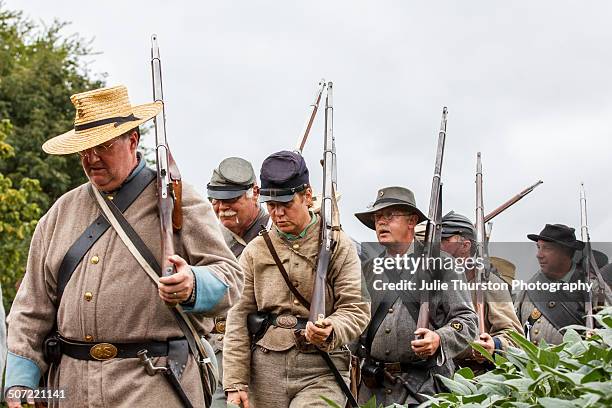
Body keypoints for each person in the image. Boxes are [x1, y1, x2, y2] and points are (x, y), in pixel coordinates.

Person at [5, 85, 243, 407]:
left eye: (102, 146)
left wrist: (193, 285)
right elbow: (32, 306)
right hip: (71, 387)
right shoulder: (61, 212)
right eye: (84, 150)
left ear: (133, 140)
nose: (91, 159)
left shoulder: (176, 200)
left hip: (154, 383)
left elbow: (231, 278)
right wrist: (20, 380)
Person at [223, 150, 370, 408]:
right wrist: (235, 383)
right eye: (272, 206)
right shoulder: (256, 251)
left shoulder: (338, 246)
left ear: (307, 196)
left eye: (286, 204)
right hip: (265, 369)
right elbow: (237, 317)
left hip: (322, 368)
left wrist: (332, 328)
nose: (278, 214)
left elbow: (356, 308)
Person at [354, 187, 477, 407]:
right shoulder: (367, 270)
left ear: (412, 221)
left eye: (389, 216)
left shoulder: (444, 265)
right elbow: (356, 323)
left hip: (425, 386)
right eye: (377, 217)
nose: (381, 222)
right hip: (374, 388)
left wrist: (439, 338)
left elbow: (467, 321)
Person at [206, 156, 269, 407]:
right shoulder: (209, 237)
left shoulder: (278, 233)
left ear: (255, 192)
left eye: (231, 199)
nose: (222, 207)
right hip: (216, 355)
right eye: (216, 200)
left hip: (263, 354)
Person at [440, 211, 523, 373]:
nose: (437, 246)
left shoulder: (489, 284)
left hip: (474, 377)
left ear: (465, 246)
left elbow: (514, 336)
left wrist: (493, 344)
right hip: (432, 378)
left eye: (444, 240)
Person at [514, 224, 611, 344]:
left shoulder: (594, 288)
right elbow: (513, 331)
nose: (539, 255)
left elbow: (608, 333)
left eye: (547, 248)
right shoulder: (529, 289)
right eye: (538, 247)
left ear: (566, 252)